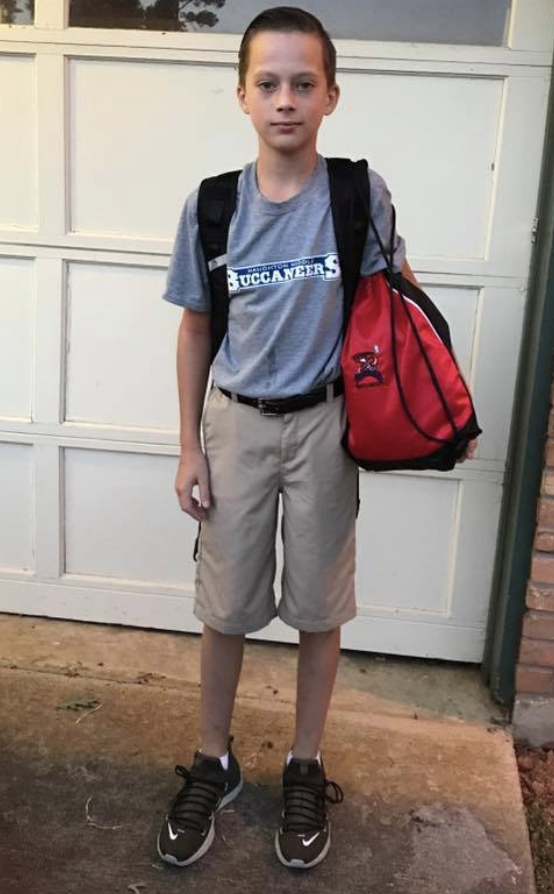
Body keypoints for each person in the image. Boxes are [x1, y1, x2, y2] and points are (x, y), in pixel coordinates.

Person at [157, 5, 477, 872]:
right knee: (223, 608)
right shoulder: (214, 205)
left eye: (304, 83)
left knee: (319, 607)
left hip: (328, 426)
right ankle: (213, 759)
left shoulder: (356, 193)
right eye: (269, 83)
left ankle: (304, 761)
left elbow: (399, 305)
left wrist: (444, 408)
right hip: (236, 425)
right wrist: (189, 446)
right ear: (242, 96)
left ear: (332, 95)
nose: (286, 99)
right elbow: (194, 331)